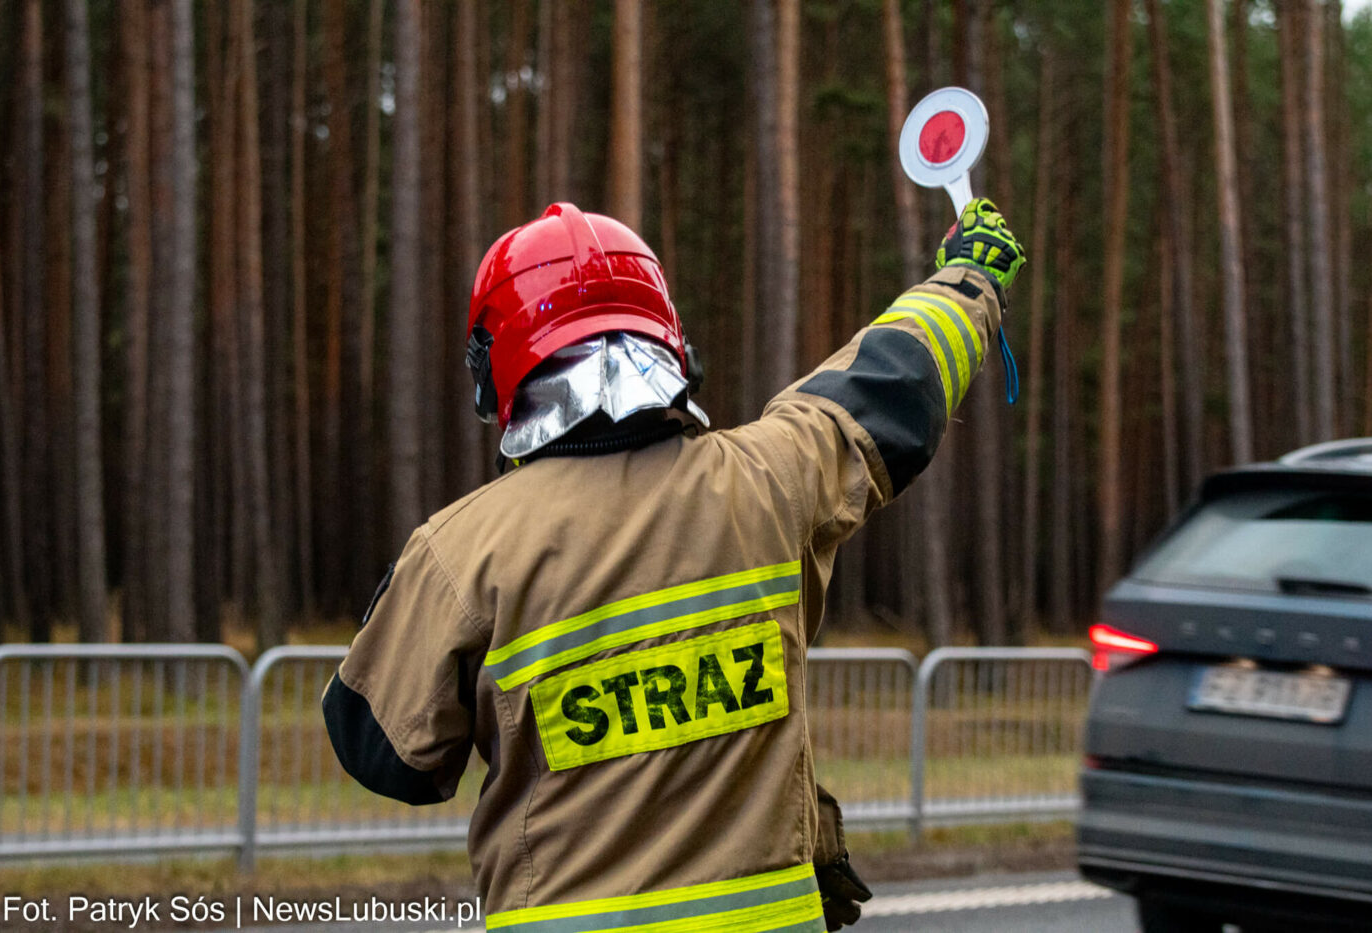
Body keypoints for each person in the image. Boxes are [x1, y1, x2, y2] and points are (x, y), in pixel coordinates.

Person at [323, 198, 1025, 932]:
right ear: (672, 344)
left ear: (494, 370)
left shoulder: (461, 552)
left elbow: (385, 754)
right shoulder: (770, 480)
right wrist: (967, 277)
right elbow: (893, 383)